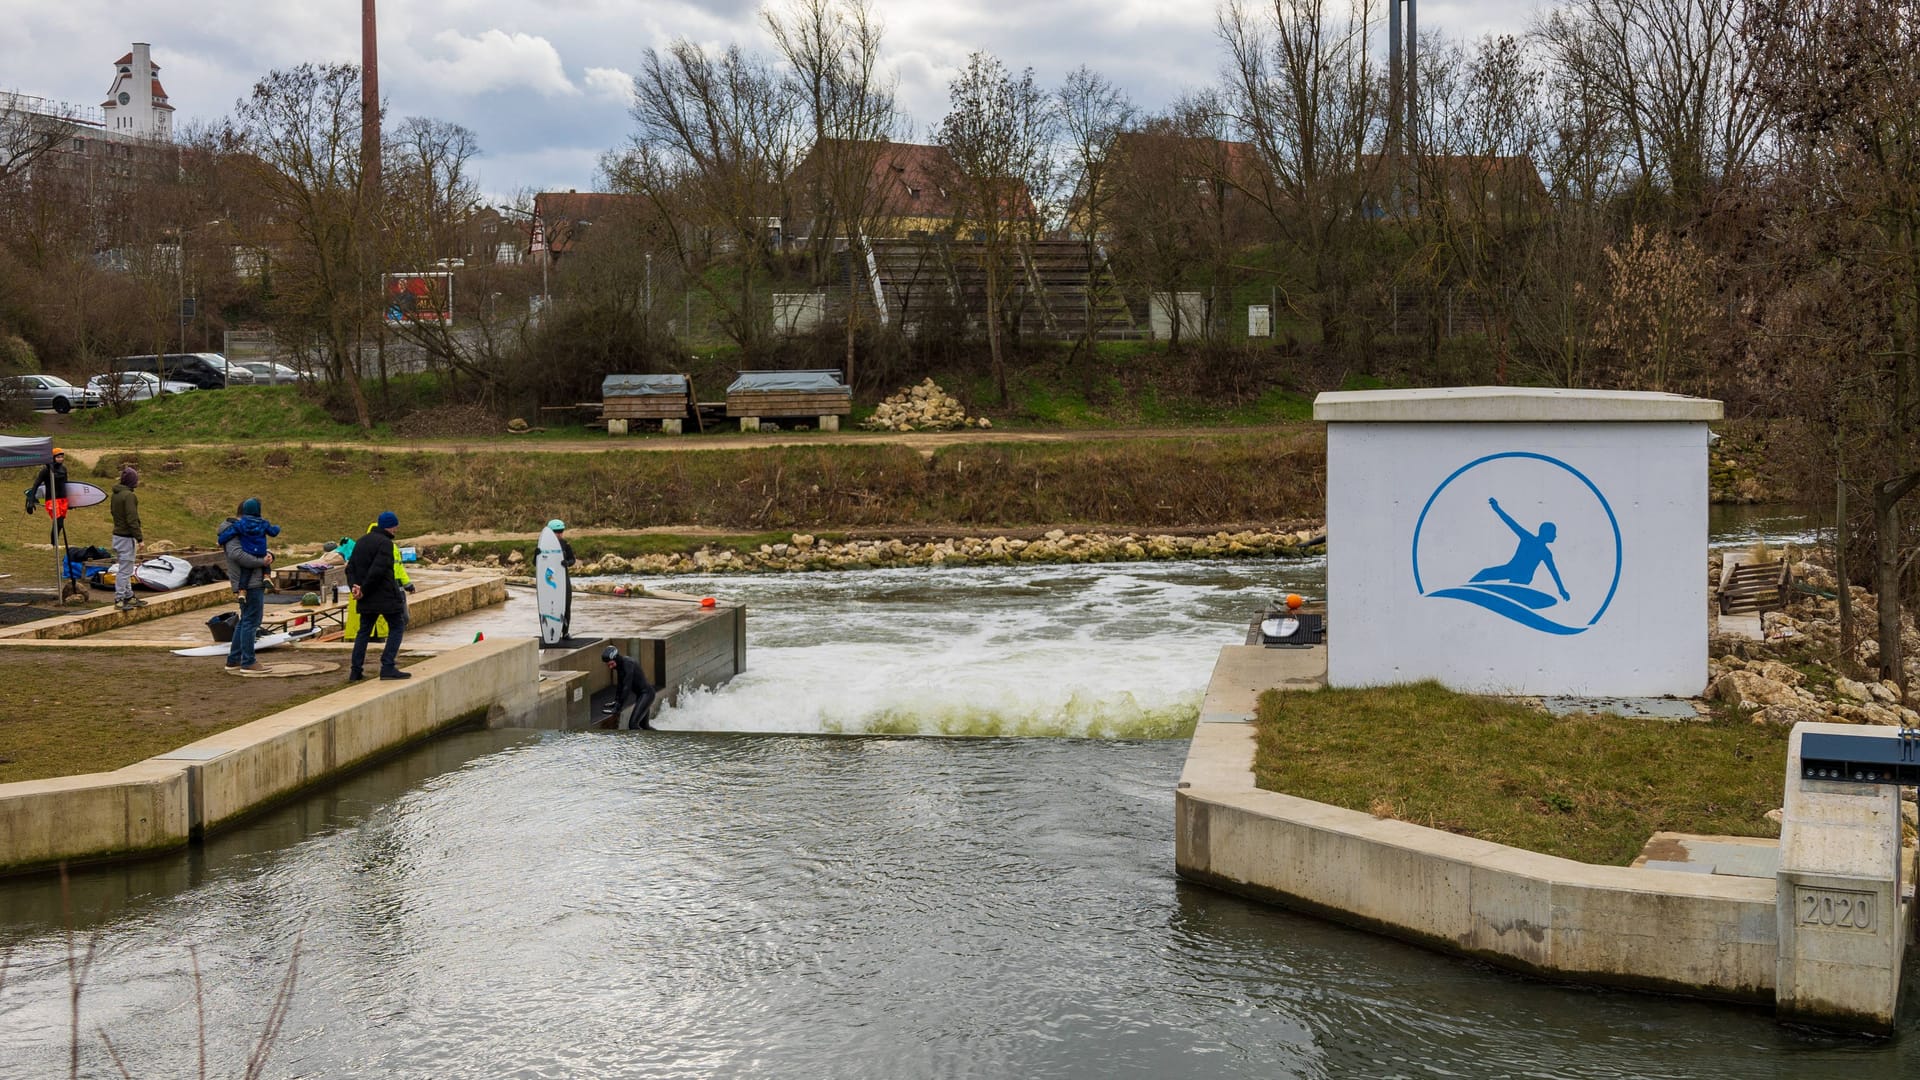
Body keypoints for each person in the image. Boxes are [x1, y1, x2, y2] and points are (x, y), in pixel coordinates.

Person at [346, 510, 410, 681]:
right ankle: (388, 666)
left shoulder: (360, 542)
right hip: (385, 596)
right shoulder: (386, 544)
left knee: (363, 632)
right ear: (391, 526)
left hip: (365, 598)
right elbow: (378, 570)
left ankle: (355, 670)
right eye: (395, 526)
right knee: (397, 626)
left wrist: (355, 588)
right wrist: (364, 588)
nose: (396, 529)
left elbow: (350, 568)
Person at [1470, 497, 1571, 602]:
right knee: (1484, 573)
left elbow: (1554, 572)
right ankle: (1466, 589)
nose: (1555, 536)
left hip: (1521, 577)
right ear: (1546, 533)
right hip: (1511, 569)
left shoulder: (1544, 551)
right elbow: (1511, 523)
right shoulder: (1536, 545)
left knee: (1501, 584)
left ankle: (1514, 598)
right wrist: (1497, 508)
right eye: (1553, 533)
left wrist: (1562, 590)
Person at [219, 497, 275, 670]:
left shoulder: (243, 529)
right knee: (252, 621)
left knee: (245, 621)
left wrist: (269, 554)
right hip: (250, 583)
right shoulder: (234, 531)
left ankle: (234, 659)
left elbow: (255, 548)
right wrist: (262, 562)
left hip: (252, 580)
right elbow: (237, 555)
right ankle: (248, 661)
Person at [109, 465, 146, 610]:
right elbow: (132, 518)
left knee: (126, 567)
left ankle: (129, 596)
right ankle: (119, 598)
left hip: (117, 535)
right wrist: (139, 538)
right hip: (126, 537)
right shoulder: (129, 496)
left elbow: (113, 512)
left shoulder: (116, 494)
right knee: (125, 570)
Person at [601, 645, 656, 730]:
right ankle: (655, 740)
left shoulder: (628, 663)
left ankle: (643, 743)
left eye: (611, 664)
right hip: (641, 695)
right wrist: (616, 701)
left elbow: (627, 687)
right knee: (644, 726)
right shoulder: (619, 666)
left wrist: (618, 707)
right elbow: (620, 685)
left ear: (616, 658)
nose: (611, 667)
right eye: (608, 665)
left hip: (647, 694)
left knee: (633, 725)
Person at [548, 519, 576, 639]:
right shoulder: (543, 545)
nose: (559, 534)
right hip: (549, 580)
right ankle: (550, 631)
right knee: (551, 606)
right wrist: (537, 554)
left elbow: (572, 560)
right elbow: (535, 563)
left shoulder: (565, 544)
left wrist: (567, 563)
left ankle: (565, 632)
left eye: (561, 531)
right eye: (556, 532)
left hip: (564, 579)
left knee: (566, 605)